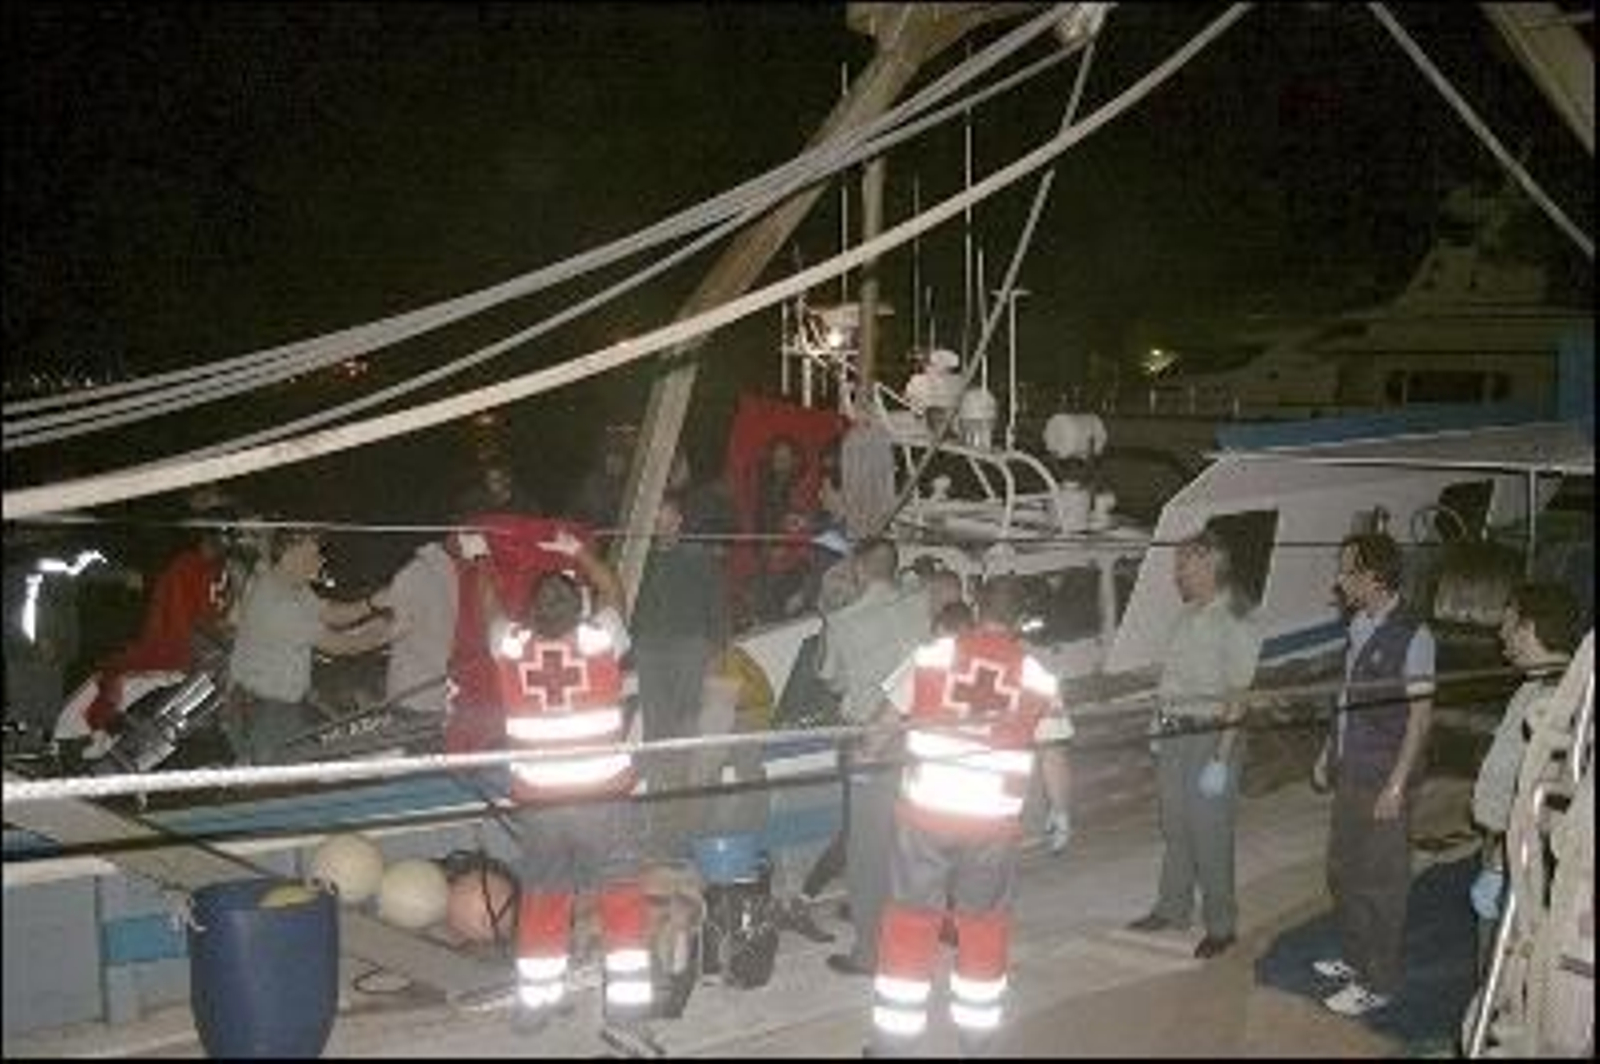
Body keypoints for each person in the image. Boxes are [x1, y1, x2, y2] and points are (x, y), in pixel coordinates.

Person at [458, 524, 654, 1039]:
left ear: (533, 612)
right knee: (620, 894)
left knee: (544, 899)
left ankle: (535, 1005)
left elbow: (489, 606)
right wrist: (580, 553)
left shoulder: (513, 644)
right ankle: (628, 1006)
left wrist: (480, 559)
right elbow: (615, 591)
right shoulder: (598, 639)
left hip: (542, 806)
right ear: (577, 606)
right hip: (605, 801)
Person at [866, 574, 1073, 1057]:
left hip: (925, 817)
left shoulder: (934, 656)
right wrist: (1061, 811)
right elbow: (1054, 755)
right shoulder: (1039, 677)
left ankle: (894, 1045)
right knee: (982, 928)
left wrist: (867, 753)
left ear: (977, 609)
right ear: (1022, 621)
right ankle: (977, 1041)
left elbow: (882, 725)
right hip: (991, 827)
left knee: (911, 923)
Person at [1310, 532, 1434, 1018]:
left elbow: (1421, 716)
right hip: (1351, 767)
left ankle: (1377, 982)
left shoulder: (1414, 635)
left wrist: (1397, 785)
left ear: (1374, 577)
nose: (1338, 580)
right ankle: (1354, 955)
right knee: (1342, 871)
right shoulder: (1359, 624)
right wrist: (1328, 750)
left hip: (1385, 775)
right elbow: (1347, 698)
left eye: (1346, 570)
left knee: (1380, 881)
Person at [1127, 529, 1262, 959]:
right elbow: (1172, 681)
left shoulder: (1237, 619)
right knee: (1176, 826)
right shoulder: (1186, 616)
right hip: (1174, 732)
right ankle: (1172, 908)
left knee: (1210, 832)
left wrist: (1221, 758)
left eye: (1183, 563)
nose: (1177, 572)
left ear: (1208, 563)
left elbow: (1238, 694)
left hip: (1210, 736)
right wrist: (1157, 725)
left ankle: (1222, 925)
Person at [817, 537, 932, 978]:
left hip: (873, 740)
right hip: (920, 737)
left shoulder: (845, 621)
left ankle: (869, 952)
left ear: (860, 570)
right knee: (911, 843)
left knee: (866, 849)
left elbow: (830, 677)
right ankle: (918, 930)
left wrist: (831, 612)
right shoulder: (918, 604)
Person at [1468, 583, 1579, 970]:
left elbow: (1539, 795)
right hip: (1505, 843)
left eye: (1508, 623)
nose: (1501, 633)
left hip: (1521, 855)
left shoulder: (1556, 699)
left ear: (1529, 628)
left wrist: (1500, 863)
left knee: (1506, 960)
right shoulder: (1536, 684)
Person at [223, 528, 397, 765]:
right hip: (266, 712)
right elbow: (343, 646)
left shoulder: (286, 583)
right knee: (279, 783)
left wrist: (372, 603)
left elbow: (332, 614)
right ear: (290, 554)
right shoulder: (280, 605)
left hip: (265, 705)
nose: (322, 560)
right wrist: (397, 631)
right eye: (314, 554)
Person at [631, 488, 727, 861]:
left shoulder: (698, 556)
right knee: (657, 729)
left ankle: (688, 814)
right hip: (649, 648)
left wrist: (718, 649)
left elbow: (717, 604)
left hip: (691, 646)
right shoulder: (640, 557)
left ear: (679, 518)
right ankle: (661, 816)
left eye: (664, 513)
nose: (658, 520)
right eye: (653, 514)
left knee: (689, 726)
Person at [378, 537, 461, 730]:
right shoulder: (412, 576)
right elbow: (399, 629)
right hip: (415, 697)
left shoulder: (456, 572)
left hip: (439, 695)